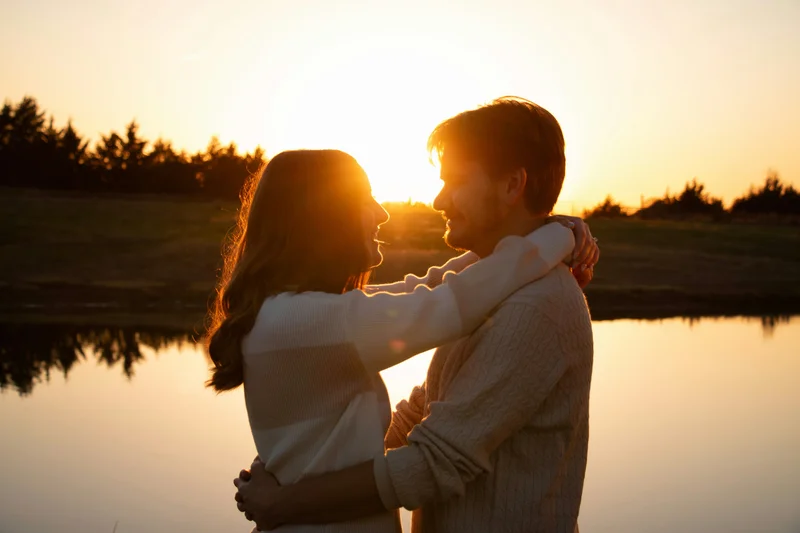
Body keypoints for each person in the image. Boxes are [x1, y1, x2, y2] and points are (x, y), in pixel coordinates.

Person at [234, 97, 596, 533]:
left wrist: (288, 497)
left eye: (456, 181)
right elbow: (431, 393)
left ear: (512, 185)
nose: (439, 199)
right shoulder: (490, 291)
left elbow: (434, 461)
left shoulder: (535, 305)